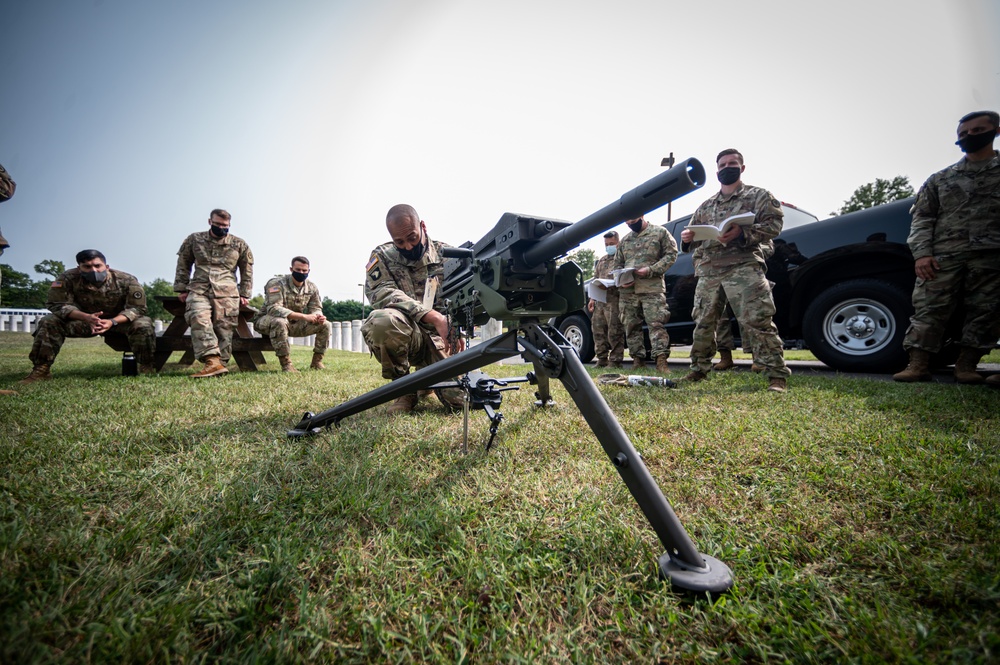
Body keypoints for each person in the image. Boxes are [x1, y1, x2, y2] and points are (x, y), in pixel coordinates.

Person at [893, 110, 1000, 385]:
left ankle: (967, 366)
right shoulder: (941, 179)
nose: (970, 137)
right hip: (943, 256)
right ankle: (918, 365)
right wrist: (922, 254)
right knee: (929, 308)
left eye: (978, 131)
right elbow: (922, 218)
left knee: (985, 310)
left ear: (995, 132)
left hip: (991, 255)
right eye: (964, 133)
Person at [680, 148, 790, 392]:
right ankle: (698, 369)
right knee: (704, 322)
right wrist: (687, 238)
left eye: (732, 163)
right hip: (709, 271)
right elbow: (692, 240)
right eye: (722, 165)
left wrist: (743, 233)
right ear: (717, 169)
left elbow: (775, 225)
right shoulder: (706, 205)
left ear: (742, 168)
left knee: (757, 319)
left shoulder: (758, 196)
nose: (727, 167)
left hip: (743, 266)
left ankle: (776, 374)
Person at [361, 204, 464, 414]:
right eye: (399, 241)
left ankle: (427, 379)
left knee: (462, 402)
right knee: (382, 321)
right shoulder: (383, 257)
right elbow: (382, 292)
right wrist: (433, 316)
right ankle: (404, 388)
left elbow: (464, 298)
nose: (407, 246)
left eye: (412, 238)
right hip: (406, 334)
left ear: (423, 227)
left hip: (442, 339)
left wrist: (457, 328)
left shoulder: (449, 256)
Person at [19, 250, 156, 383]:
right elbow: (56, 304)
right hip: (82, 322)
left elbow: (137, 308)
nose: (94, 270)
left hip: (118, 322)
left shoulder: (126, 280)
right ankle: (41, 370)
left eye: (98, 266)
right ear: (79, 268)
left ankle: (146, 366)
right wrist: (85, 317)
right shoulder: (67, 278)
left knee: (143, 324)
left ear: (106, 266)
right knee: (49, 321)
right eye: (87, 267)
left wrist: (112, 321)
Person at [173, 209, 254, 379]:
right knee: (198, 317)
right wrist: (181, 287)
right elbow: (183, 263)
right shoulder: (194, 239)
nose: (221, 228)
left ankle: (220, 365)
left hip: (227, 291)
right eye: (217, 224)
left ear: (229, 225)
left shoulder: (239, 244)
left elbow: (247, 270)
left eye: (225, 225)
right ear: (210, 222)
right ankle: (211, 361)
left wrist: (245, 293)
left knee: (224, 328)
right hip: (199, 288)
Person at [613, 214, 678, 373]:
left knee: (656, 325)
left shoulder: (659, 232)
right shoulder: (625, 240)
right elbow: (617, 265)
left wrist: (651, 270)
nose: (629, 222)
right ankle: (637, 360)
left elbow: (671, 254)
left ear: (642, 215)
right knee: (631, 326)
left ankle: (661, 361)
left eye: (633, 220)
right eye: (627, 221)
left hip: (652, 288)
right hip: (628, 291)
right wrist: (621, 280)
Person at [253, 256, 331, 372]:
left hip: (293, 324)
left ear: (308, 271)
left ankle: (317, 362)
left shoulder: (311, 287)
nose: (301, 273)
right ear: (291, 269)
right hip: (267, 321)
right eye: (298, 270)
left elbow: (316, 307)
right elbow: (274, 309)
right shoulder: (276, 283)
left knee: (326, 325)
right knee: (280, 321)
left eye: (304, 271)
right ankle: (286, 364)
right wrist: (304, 316)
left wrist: (317, 316)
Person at [588, 231, 625, 368]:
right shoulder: (602, 260)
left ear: (618, 243)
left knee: (614, 330)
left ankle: (615, 360)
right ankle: (602, 358)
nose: (608, 246)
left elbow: (626, 277)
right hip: (600, 301)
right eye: (606, 244)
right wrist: (592, 299)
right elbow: (595, 279)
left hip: (614, 300)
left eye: (611, 244)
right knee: (598, 330)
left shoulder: (622, 259)